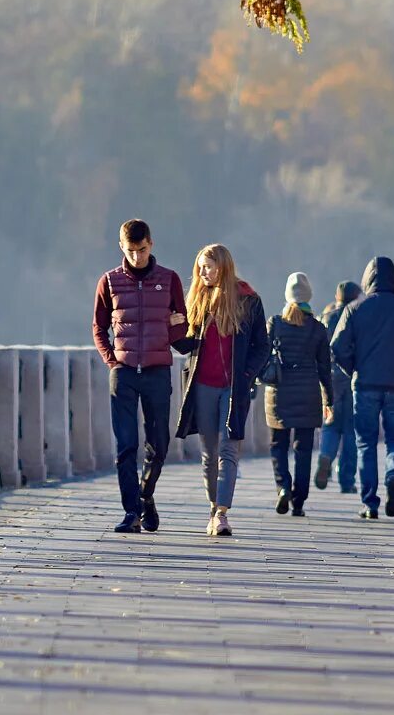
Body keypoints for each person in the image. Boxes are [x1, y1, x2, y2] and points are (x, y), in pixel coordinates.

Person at [92, 219, 188, 534]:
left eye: (142, 250)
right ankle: (131, 512)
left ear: (151, 244)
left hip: (158, 370)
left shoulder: (170, 279)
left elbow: (181, 328)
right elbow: (98, 327)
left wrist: (178, 325)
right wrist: (111, 360)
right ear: (121, 246)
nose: (136, 257)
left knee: (158, 444)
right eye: (131, 251)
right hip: (123, 373)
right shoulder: (108, 281)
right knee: (125, 446)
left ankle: (145, 496)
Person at [173, 244, 269, 537]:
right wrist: (173, 329)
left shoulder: (248, 300)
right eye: (200, 267)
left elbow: (261, 346)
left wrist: (247, 374)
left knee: (229, 450)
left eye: (209, 267)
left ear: (223, 267)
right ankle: (213, 506)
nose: (203, 272)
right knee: (209, 453)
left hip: (233, 388)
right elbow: (186, 347)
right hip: (202, 386)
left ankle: (221, 514)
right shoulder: (198, 299)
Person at [330, 257, 394, 519]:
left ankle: (370, 503)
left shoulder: (355, 309)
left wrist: (354, 369)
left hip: (365, 385)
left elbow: (338, 347)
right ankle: (393, 474)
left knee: (365, 443)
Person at [264, 273, 335, 517]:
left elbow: (262, 356)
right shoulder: (317, 329)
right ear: (309, 296)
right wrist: (329, 400)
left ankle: (283, 487)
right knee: (303, 450)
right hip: (307, 395)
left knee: (278, 446)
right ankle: (299, 501)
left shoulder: (275, 323)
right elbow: (325, 368)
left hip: (278, 393)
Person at [315, 281, 362, 494]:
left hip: (330, 380)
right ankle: (347, 480)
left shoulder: (326, 317)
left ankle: (325, 456)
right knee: (351, 430)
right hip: (353, 378)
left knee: (330, 425)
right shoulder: (358, 316)